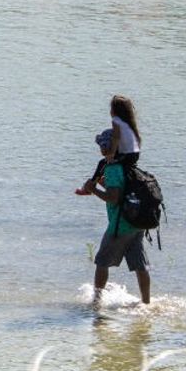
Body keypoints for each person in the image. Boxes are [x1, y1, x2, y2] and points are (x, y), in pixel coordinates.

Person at [76, 128, 150, 305]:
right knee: (140, 265)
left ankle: (96, 302)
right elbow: (120, 189)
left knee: (101, 262)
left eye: (102, 145)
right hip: (136, 223)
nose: (100, 149)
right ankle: (146, 303)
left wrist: (93, 190)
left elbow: (114, 198)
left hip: (120, 225)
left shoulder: (112, 168)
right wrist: (101, 185)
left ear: (107, 147)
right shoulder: (127, 166)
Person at [87, 94, 142, 187]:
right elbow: (138, 140)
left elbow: (116, 137)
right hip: (133, 156)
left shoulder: (116, 121)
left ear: (114, 111)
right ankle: (104, 182)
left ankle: (91, 186)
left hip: (125, 156)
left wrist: (111, 154)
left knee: (103, 163)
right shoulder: (130, 123)